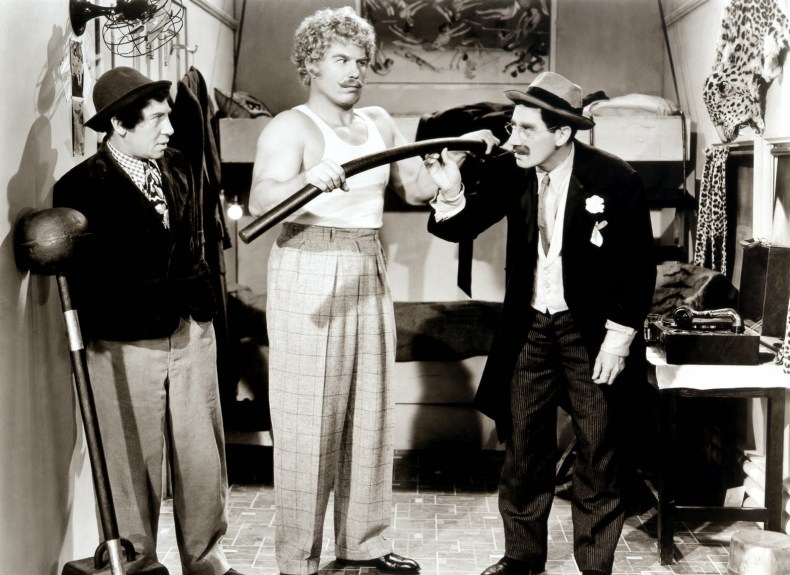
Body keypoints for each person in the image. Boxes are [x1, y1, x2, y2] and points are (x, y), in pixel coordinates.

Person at [247, 7, 496, 575]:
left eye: (361, 61)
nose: (354, 71)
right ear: (311, 65)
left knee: (370, 409)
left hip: (366, 259)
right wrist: (307, 179)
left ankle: (364, 544)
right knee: (308, 417)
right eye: (340, 60)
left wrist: (451, 168)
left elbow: (413, 187)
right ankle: (298, 559)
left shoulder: (379, 121)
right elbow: (262, 200)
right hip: (309, 263)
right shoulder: (289, 127)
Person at [425, 71, 656, 575]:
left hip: (590, 332)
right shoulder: (512, 170)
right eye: (513, 127)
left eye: (528, 129)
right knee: (524, 448)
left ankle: (594, 565)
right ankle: (522, 558)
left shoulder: (615, 179)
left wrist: (618, 340)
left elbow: (638, 267)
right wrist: (450, 189)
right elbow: (461, 226)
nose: (515, 139)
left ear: (562, 132)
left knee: (598, 450)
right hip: (529, 327)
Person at [53, 66, 243, 575]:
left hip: (191, 329)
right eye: (157, 119)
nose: (170, 129)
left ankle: (207, 562)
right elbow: (86, 281)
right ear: (119, 124)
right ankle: (136, 563)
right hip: (125, 344)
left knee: (202, 459)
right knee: (129, 462)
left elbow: (191, 243)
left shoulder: (176, 164)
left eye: (168, 116)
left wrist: (201, 307)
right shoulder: (80, 187)